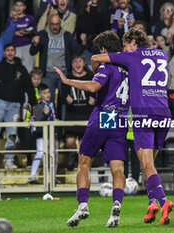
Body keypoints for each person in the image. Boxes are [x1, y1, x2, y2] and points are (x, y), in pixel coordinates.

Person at [90, 27, 174, 225]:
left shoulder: (132, 56)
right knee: (149, 166)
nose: (124, 49)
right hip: (163, 112)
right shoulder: (162, 54)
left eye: (126, 45)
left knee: (146, 165)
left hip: (143, 113)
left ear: (134, 41)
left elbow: (98, 58)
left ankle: (163, 201)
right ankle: (152, 203)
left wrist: (96, 64)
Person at [54, 30, 129, 228]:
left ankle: (83, 205)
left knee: (84, 161)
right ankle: (116, 204)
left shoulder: (107, 66)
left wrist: (69, 81)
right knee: (118, 168)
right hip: (121, 119)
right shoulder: (129, 68)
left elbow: (94, 87)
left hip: (105, 115)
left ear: (104, 49)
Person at [0, 43, 36, 170]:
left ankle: (9, 160)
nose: (10, 52)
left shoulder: (21, 69)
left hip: (15, 106)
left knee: (12, 134)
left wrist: (31, 102)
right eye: (7, 50)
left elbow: (29, 87)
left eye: (12, 50)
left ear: (15, 52)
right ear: (4, 52)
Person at [30, 13, 81, 104]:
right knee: (48, 100)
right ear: (48, 23)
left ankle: (64, 118)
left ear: (60, 24)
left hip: (64, 72)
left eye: (57, 24)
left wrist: (83, 43)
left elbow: (77, 51)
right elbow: (32, 52)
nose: (55, 27)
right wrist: (35, 43)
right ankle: (51, 118)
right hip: (48, 73)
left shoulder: (67, 35)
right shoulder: (42, 34)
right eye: (52, 24)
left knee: (66, 99)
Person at [61, 55, 95, 170]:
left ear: (84, 63)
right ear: (72, 65)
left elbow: (97, 91)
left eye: (80, 61)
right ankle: (73, 156)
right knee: (69, 141)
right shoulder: (68, 78)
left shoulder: (91, 76)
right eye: (75, 62)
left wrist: (94, 100)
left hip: (86, 114)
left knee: (82, 144)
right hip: (72, 114)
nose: (78, 64)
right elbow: (63, 95)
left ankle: (82, 165)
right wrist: (66, 98)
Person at [28, 83, 60, 184]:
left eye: (49, 92)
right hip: (42, 134)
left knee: (54, 154)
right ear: (40, 94)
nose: (48, 95)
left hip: (52, 133)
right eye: (45, 93)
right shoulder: (38, 106)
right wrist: (45, 115)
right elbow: (37, 122)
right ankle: (32, 176)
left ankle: (53, 177)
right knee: (40, 152)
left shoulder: (52, 104)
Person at [6, 0, 37, 73]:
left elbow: (35, 31)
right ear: (14, 7)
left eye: (21, 5)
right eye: (17, 5)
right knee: (16, 69)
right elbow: (6, 34)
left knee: (29, 69)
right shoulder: (10, 19)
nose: (19, 8)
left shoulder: (30, 18)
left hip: (27, 46)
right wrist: (15, 33)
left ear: (24, 7)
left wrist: (28, 32)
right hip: (16, 47)